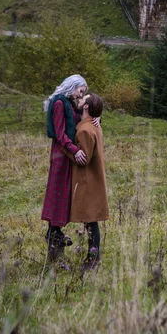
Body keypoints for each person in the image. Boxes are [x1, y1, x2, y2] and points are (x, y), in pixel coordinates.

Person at [41, 75, 89, 261]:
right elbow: (60, 135)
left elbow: (78, 120)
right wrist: (75, 150)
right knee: (58, 195)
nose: (81, 94)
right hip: (61, 155)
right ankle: (54, 236)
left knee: (63, 195)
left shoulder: (68, 102)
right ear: (73, 86)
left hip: (66, 156)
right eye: (81, 90)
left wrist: (95, 118)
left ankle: (56, 234)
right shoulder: (60, 103)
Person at [67, 93, 109, 269]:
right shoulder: (93, 125)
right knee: (91, 221)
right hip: (93, 180)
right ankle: (94, 257)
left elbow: (82, 158)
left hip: (88, 182)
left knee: (91, 221)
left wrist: (66, 148)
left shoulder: (85, 130)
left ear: (86, 107)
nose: (80, 99)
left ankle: (93, 259)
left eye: (84, 99)